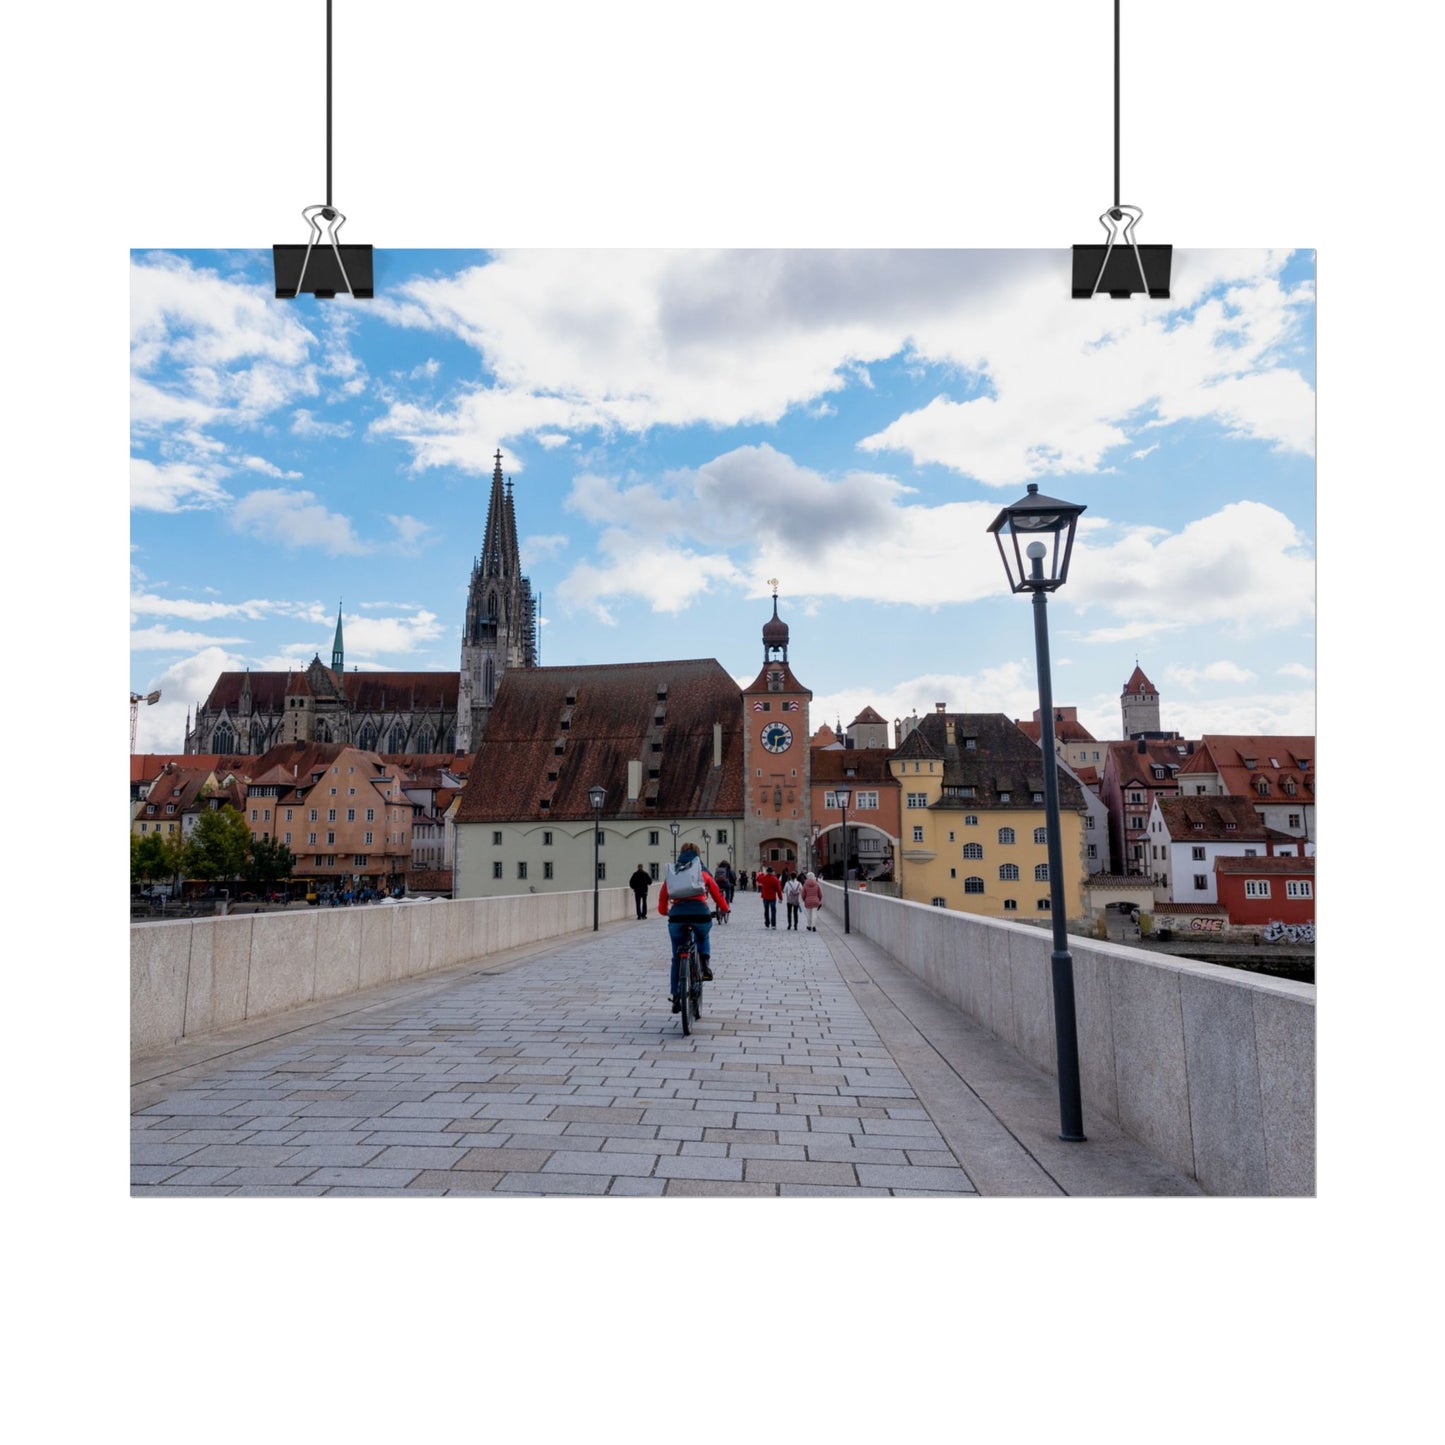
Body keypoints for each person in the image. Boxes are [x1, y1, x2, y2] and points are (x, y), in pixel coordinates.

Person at [658, 842, 729, 1011]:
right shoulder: (701, 872)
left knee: (676, 957)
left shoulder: (673, 874)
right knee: (703, 935)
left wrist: (665, 911)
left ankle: (676, 996)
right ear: (698, 856)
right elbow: (716, 893)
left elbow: (662, 898)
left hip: (677, 917)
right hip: (700, 914)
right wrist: (725, 908)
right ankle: (704, 965)